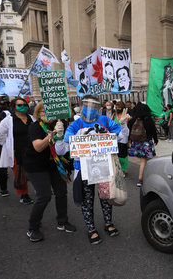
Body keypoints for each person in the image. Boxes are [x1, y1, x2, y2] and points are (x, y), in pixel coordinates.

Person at [55, 95, 129, 245]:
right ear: (82, 107)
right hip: (83, 168)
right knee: (87, 200)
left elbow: (122, 138)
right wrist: (59, 136)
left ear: (98, 108)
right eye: (88, 105)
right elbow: (61, 150)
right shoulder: (75, 125)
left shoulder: (106, 121)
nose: (91, 108)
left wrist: (123, 125)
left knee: (106, 197)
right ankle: (91, 229)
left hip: (104, 166)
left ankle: (108, 223)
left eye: (94, 106)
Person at [23, 102, 76, 242]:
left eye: (50, 112)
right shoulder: (35, 127)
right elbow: (38, 147)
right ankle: (33, 227)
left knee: (61, 192)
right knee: (44, 196)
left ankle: (62, 221)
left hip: (55, 164)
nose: (46, 115)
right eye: (43, 112)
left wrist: (62, 132)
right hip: (36, 165)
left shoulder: (61, 124)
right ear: (38, 114)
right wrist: (51, 136)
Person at [0, 97, 35, 204]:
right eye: (19, 105)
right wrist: (8, 145)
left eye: (24, 104)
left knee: (35, 171)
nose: (23, 107)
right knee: (19, 173)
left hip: (32, 150)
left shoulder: (32, 118)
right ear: (13, 107)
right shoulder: (8, 120)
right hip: (16, 151)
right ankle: (24, 194)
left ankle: (39, 189)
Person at [129, 102, 158, 187]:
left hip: (136, 142)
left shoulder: (134, 120)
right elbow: (153, 131)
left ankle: (145, 175)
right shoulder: (148, 120)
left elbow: (130, 129)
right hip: (146, 142)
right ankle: (140, 179)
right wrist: (155, 140)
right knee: (143, 161)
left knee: (144, 160)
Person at [111, 101, 130, 175]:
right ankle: (117, 168)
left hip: (123, 136)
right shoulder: (114, 114)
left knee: (123, 154)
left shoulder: (125, 115)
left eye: (119, 107)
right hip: (115, 136)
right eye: (116, 107)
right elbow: (111, 123)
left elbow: (125, 126)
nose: (117, 109)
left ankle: (123, 169)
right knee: (116, 153)